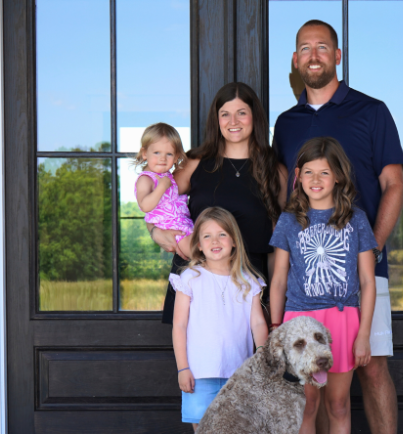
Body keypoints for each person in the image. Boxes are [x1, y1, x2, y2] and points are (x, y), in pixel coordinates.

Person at [272, 19, 403, 434]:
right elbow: (284, 191)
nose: (314, 55)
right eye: (305, 49)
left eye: (323, 47)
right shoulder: (287, 122)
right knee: (311, 391)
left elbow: (394, 185)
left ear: (338, 56)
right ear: (295, 60)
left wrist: (371, 247)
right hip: (307, 284)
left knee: (372, 366)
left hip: (363, 269)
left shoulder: (371, 111)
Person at [149, 82, 288, 323]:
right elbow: (157, 205)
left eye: (241, 112)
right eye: (225, 114)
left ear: (254, 117)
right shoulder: (195, 162)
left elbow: (278, 248)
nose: (233, 121)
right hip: (197, 285)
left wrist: (274, 314)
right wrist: (155, 232)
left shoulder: (275, 172)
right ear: (217, 119)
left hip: (249, 292)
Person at [269, 137, 377, 434]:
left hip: (343, 321)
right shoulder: (289, 220)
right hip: (299, 323)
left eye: (324, 172)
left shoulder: (356, 220)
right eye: (309, 172)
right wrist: (276, 329)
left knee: (339, 404)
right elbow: (278, 278)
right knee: (306, 405)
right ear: (298, 176)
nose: (315, 180)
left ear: (338, 176)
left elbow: (368, 281)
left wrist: (364, 333)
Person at [171, 206, 268, 431]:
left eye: (222, 234)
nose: (215, 241)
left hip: (238, 373)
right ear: (198, 245)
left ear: (234, 240)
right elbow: (179, 325)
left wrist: (263, 360)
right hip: (199, 373)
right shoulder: (190, 278)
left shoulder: (248, 281)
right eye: (207, 236)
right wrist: (182, 368)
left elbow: (258, 323)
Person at [134, 122, 194, 258]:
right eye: (156, 152)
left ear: (176, 157)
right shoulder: (146, 179)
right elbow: (145, 205)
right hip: (170, 228)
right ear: (144, 153)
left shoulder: (167, 176)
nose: (162, 158)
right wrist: (161, 187)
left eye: (169, 154)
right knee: (198, 255)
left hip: (184, 223)